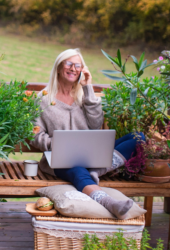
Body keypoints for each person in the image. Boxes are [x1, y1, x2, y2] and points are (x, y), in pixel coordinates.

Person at [30, 48, 144, 219]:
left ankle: (95, 171)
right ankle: (110, 203)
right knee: (77, 170)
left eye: (78, 65)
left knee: (138, 138)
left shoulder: (84, 95)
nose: (74, 68)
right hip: (60, 159)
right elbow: (35, 136)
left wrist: (88, 87)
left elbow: (95, 124)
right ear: (59, 68)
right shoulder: (43, 99)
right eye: (69, 64)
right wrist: (60, 144)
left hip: (89, 154)